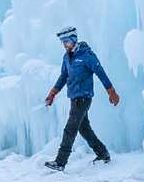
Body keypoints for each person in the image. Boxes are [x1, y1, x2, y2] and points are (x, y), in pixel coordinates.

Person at [43, 26, 120, 172]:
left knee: (70, 129)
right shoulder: (66, 57)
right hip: (74, 97)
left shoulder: (87, 55)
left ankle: (60, 161)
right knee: (84, 129)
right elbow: (63, 76)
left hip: (84, 98)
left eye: (66, 41)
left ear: (73, 40)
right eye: (62, 42)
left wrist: (111, 91)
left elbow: (100, 72)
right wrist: (53, 93)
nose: (64, 44)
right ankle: (103, 154)